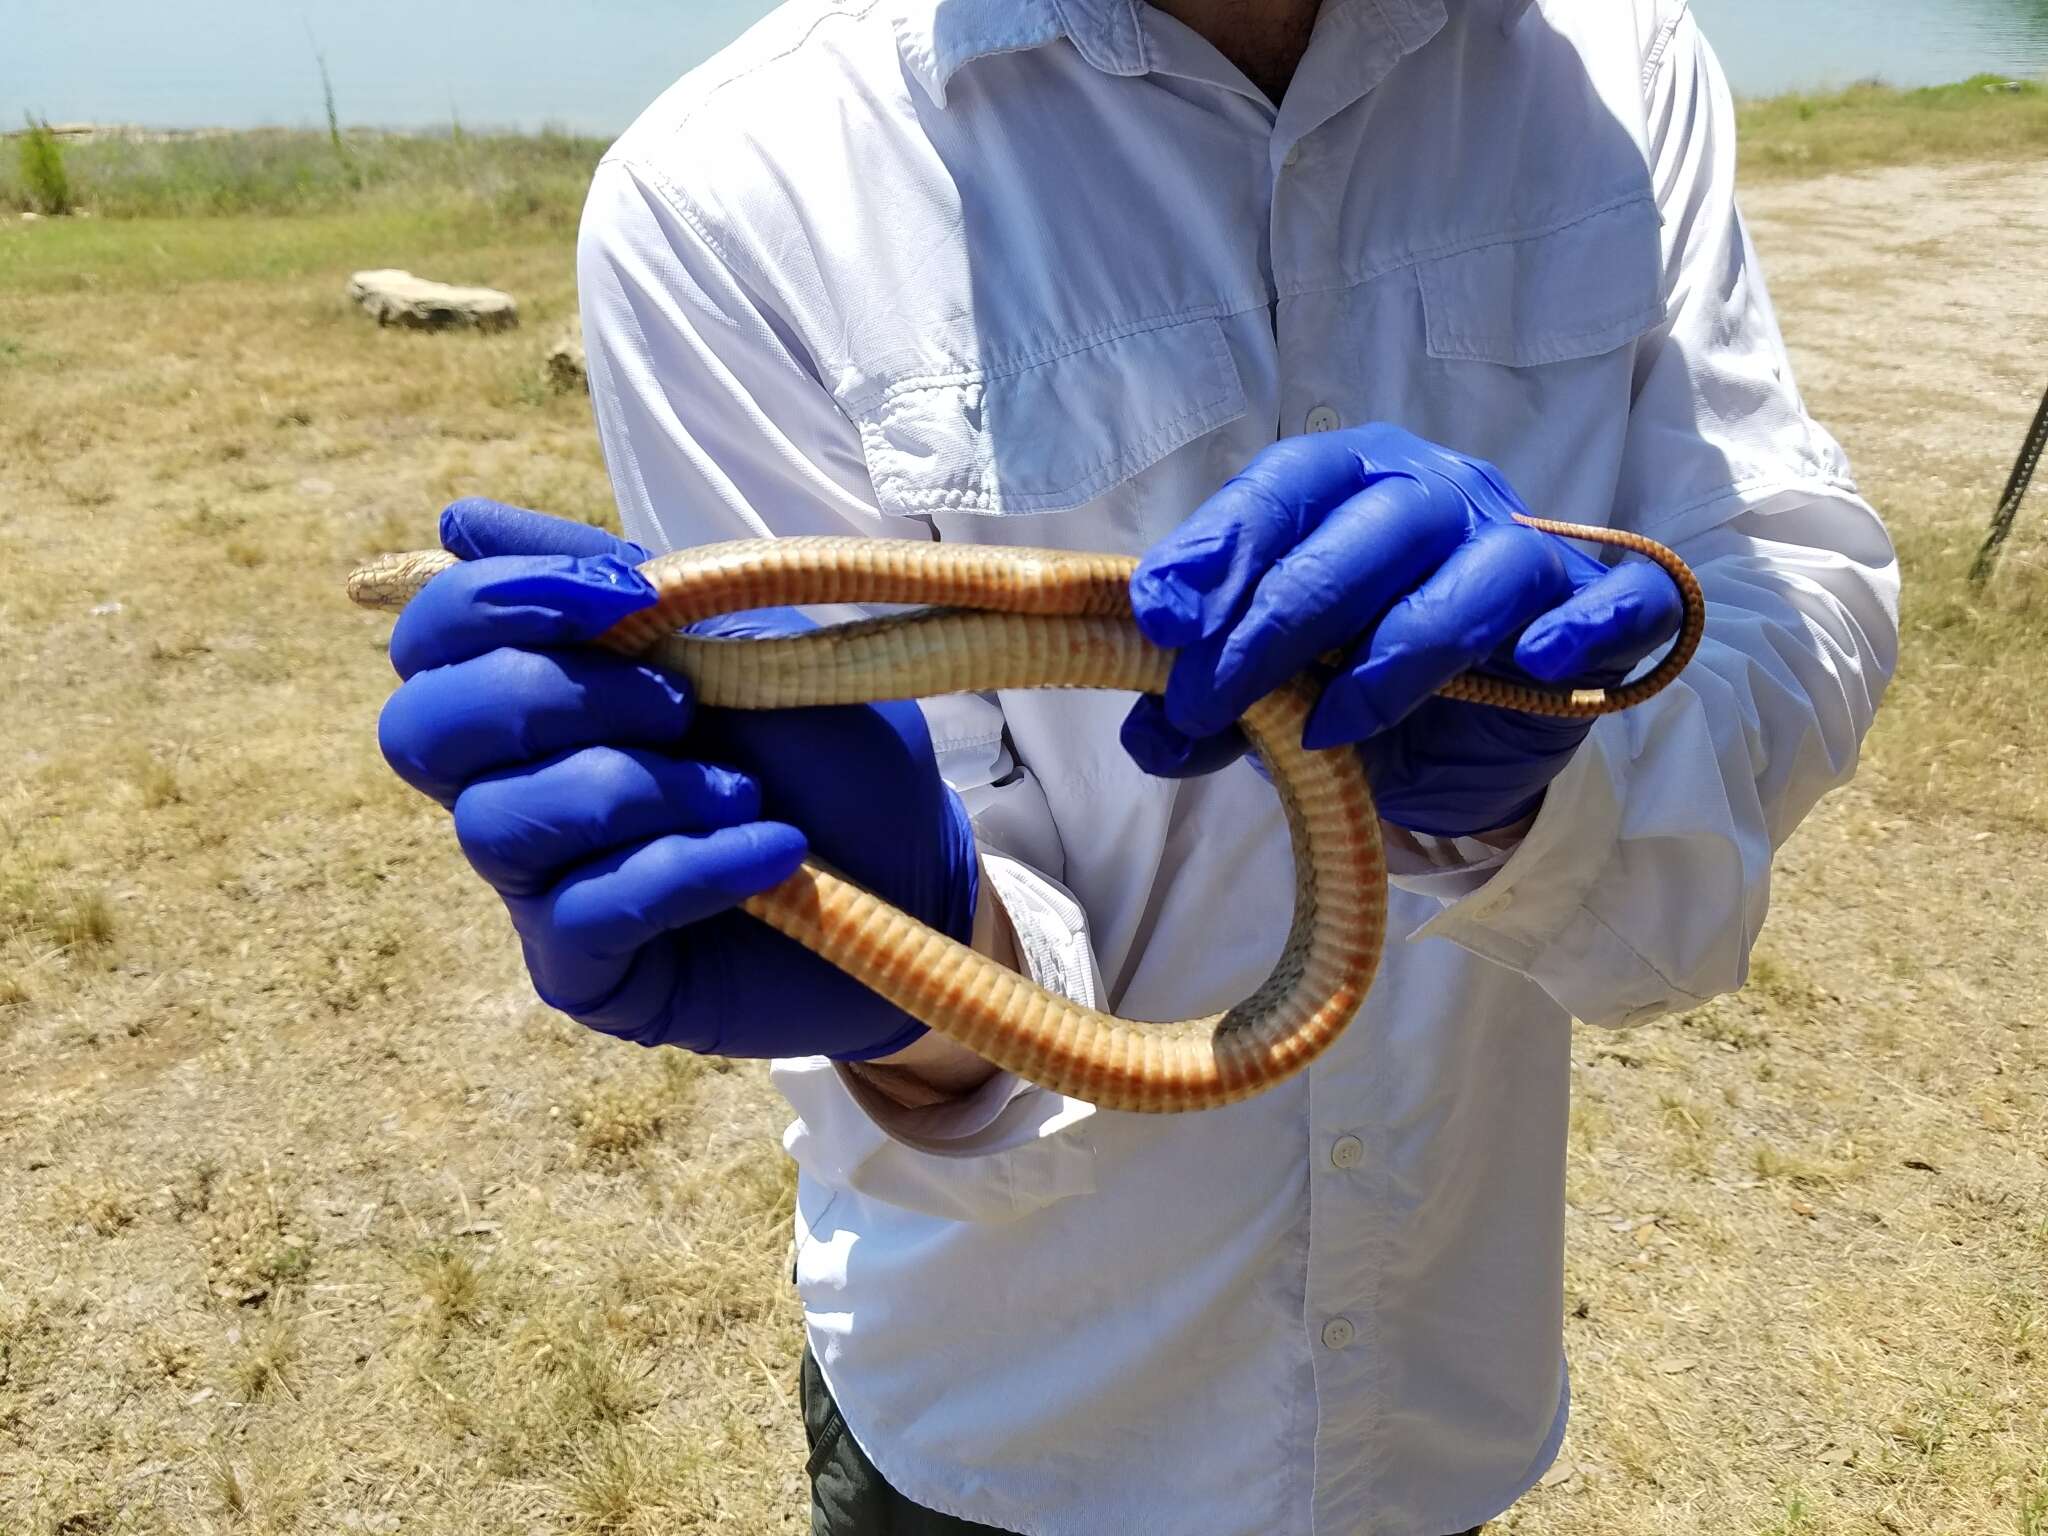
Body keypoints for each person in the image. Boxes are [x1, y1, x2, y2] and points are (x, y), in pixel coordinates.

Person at [372, 2, 1901, 1532]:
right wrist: (921, 980)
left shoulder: (1620, 63)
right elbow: (909, 828)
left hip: (1433, 1406)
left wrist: (1552, 776)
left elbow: (1783, 569)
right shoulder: (732, 182)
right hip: (1007, 1443)